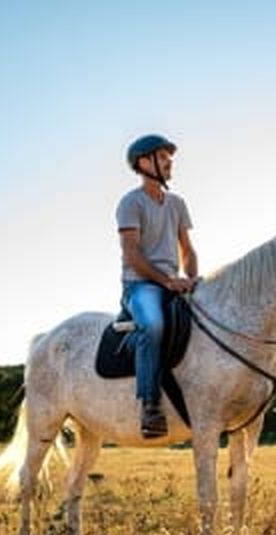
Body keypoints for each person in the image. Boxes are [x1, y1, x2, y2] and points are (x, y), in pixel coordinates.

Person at [116, 134, 199, 438]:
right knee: (152, 325)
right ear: (143, 162)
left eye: (169, 158)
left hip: (174, 283)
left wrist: (191, 279)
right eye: (163, 158)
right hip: (141, 285)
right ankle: (150, 405)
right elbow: (132, 255)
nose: (169, 163)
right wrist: (167, 280)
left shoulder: (177, 203)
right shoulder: (130, 203)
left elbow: (187, 251)